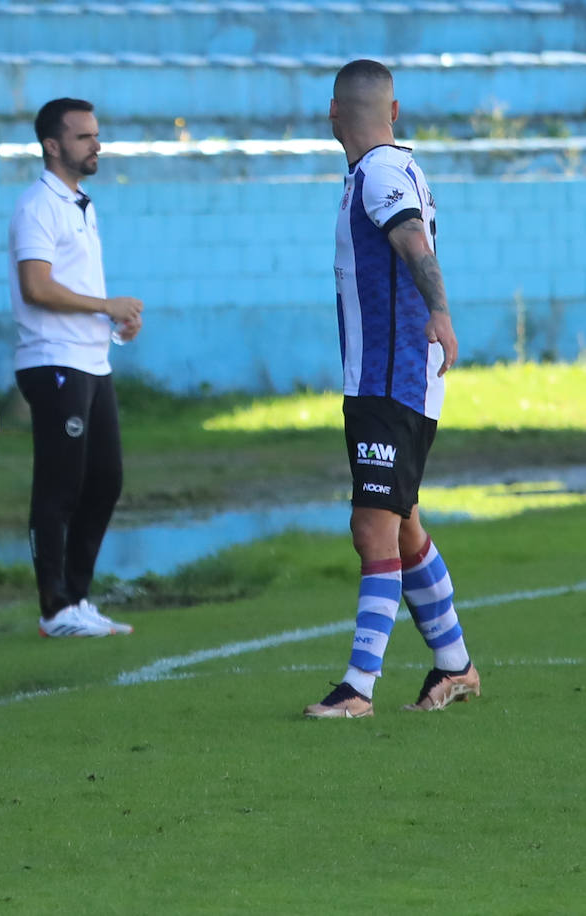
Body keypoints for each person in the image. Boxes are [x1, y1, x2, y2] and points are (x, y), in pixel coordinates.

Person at [304, 59, 479, 718]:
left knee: (371, 526)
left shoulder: (378, 173)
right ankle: (456, 666)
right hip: (394, 378)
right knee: (403, 525)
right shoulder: (397, 167)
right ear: (394, 110)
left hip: (389, 377)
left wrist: (440, 311)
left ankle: (358, 688)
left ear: (332, 113)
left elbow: (411, 241)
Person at [9, 97, 143, 639]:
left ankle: (78, 598)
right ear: (53, 145)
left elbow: (76, 287)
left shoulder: (81, 204)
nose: (96, 144)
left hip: (91, 360)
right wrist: (106, 307)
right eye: (84, 136)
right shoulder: (37, 205)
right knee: (60, 485)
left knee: (105, 480)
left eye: (96, 134)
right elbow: (35, 287)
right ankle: (54, 607)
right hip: (53, 361)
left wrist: (115, 324)